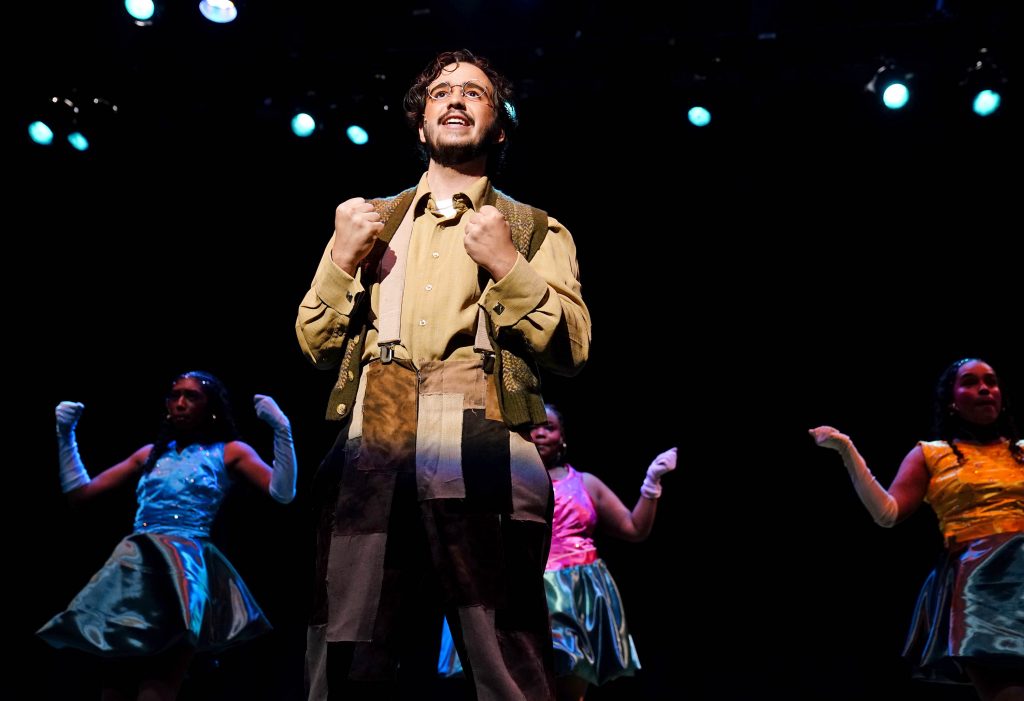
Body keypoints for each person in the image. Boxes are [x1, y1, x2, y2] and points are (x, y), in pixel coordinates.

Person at [295, 48, 591, 700]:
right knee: (350, 644)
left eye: (474, 92)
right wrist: (341, 259)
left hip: (482, 419)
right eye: (440, 93)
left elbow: (572, 348)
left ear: (500, 127)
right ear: (420, 122)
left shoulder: (534, 229)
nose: (455, 99)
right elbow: (315, 345)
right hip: (379, 420)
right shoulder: (370, 222)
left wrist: (508, 265)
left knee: (502, 643)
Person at [37, 370, 298, 701]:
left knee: (158, 686)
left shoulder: (229, 451)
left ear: (211, 407)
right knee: (113, 688)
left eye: (192, 396)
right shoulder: (150, 454)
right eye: (175, 395)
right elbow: (82, 495)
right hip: (134, 566)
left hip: (184, 570)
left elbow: (282, 493)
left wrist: (282, 430)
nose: (180, 403)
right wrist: (65, 435)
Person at [809, 357, 1023, 701]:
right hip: (979, 590)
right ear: (952, 401)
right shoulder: (931, 454)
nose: (985, 388)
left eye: (991, 381)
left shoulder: (1022, 453)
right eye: (970, 382)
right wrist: (847, 450)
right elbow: (887, 514)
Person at [438, 404, 677, 700]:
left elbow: (634, 528)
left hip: (575, 596)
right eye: (531, 427)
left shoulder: (585, 483)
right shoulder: (503, 482)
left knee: (570, 688)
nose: (539, 433)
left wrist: (651, 483)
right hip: (519, 591)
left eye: (548, 427)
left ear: (562, 437)